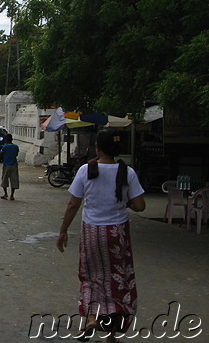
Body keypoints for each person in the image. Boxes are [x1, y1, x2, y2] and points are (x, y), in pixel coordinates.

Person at [57, 129, 146, 342]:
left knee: (90, 276)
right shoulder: (128, 172)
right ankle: (111, 335)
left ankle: (91, 319)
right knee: (117, 280)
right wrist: (124, 202)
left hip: (92, 231)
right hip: (117, 232)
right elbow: (140, 206)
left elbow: (73, 204)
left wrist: (63, 231)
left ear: (97, 148)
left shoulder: (85, 170)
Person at [0, 134, 20, 200]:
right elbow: (16, 154)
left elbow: (1, 154)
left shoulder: (5, 147)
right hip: (14, 164)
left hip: (6, 164)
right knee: (14, 179)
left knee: (5, 179)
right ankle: (12, 195)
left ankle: (5, 194)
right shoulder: (16, 146)